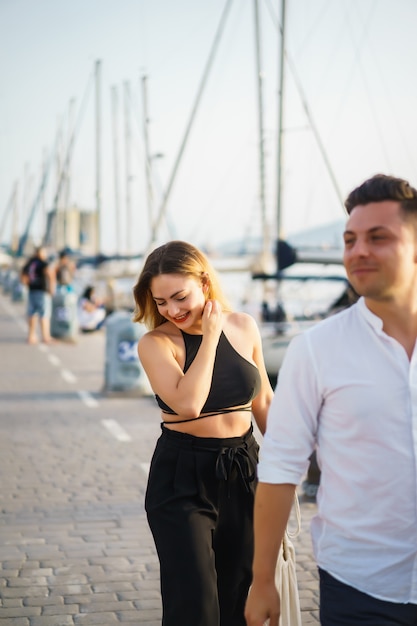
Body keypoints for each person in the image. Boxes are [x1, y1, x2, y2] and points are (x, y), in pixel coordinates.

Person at [245, 173, 417, 626]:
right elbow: (281, 468)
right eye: (349, 239)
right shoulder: (315, 350)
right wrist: (262, 579)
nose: (358, 251)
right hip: (360, 589)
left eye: (378, 238)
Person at [132, 240, 273, 626]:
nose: (171, 310)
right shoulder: (156, 344)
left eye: (179, 297)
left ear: (204, 283)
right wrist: (209, 336)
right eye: (160, 302)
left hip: (244, 470)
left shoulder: (244, 326)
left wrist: (295, 466)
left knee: (238, 599)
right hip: (182, 477)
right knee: (194, 606)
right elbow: (189, 404)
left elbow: (263, 404)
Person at [20, 245, 56, 344]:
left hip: (32, 290)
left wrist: (28, 284)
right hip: (42, 291)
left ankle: (31, 336)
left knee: (32, 314)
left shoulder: (30, 263)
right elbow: (50, 275)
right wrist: (51, 289)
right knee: (44, 314)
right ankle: (46, 337)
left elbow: (23, 277)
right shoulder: (43, 263)